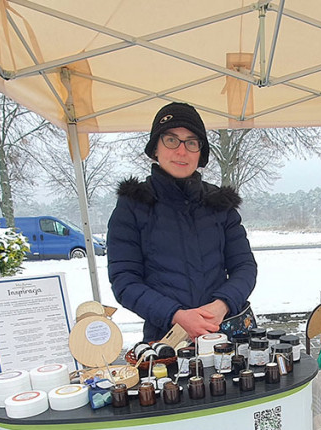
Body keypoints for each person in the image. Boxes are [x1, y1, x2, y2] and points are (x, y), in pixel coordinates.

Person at [107, 102, 257, 342]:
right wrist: (176, 315)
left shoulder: (219, 204)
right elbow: (125, 281)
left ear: (200, 152)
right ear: (155, 148)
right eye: (171, 140)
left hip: (224, 334)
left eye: (191, 142)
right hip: (166, 338)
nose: (181, 151)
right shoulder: (133, 206)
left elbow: (245, 267)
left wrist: (220, 306)